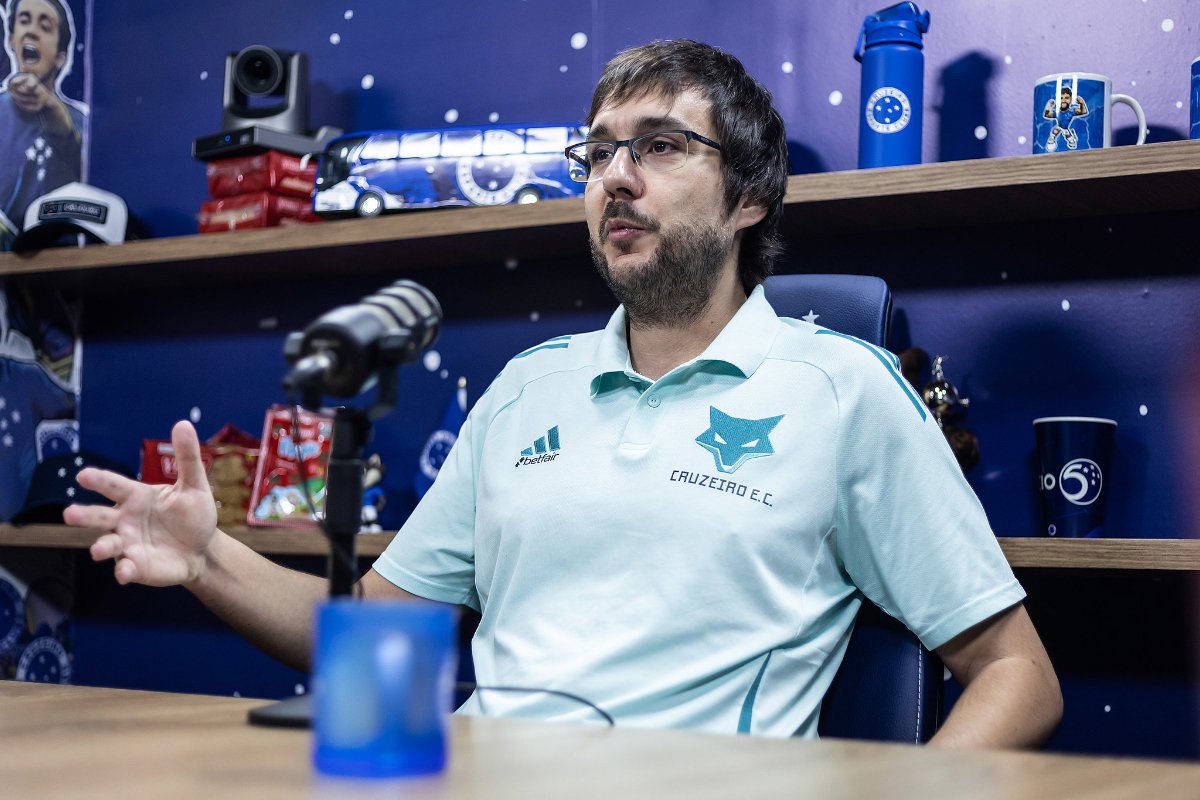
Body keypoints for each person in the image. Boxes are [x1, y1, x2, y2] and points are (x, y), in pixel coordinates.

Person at [64, 39, 1062, 746]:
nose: (615, 177)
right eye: (598, 153)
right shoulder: (525, 388)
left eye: (660, 145)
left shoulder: (844, 391)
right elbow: (370, 639)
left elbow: (1018, 676)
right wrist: (207, 557)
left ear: (751, 196)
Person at [0, 0, 86, 247]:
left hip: (69, 261)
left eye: (45, 26)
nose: (32, 31)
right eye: (24, 21)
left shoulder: (84, 124)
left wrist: (60, 122)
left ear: (61, 57)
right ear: (11, 40)